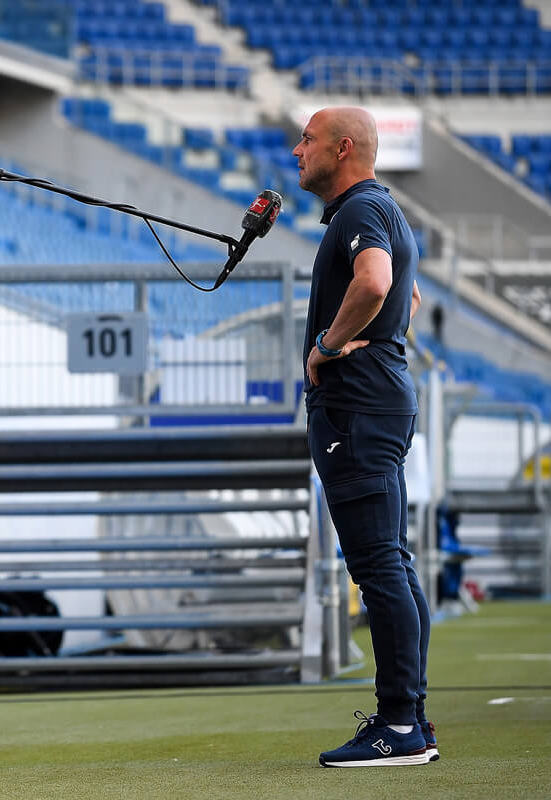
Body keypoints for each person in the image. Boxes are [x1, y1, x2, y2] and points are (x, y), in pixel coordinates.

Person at [293, 106, 437, 768]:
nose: (297, 151)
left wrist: (326, 343)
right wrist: (369, 334)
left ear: (343, 148)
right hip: (380, 400)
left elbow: (377, 284)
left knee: (377, 563)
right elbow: (403, 300)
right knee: (391, 561)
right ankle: (411, 719)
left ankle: (400, 723)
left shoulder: (357, 212)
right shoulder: (384, 209)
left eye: (308, 140)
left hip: (356, 406)